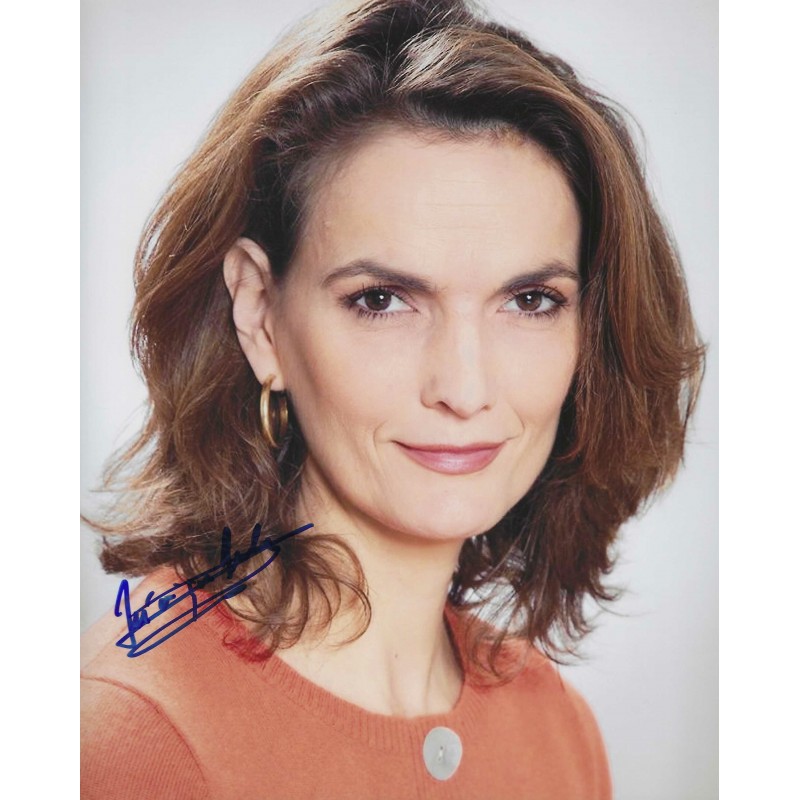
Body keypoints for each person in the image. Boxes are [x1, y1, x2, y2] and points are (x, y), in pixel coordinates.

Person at [80, 0, 705, 797]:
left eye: (531, 301)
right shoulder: (132, 741)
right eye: (382, 301)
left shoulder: (555, 725)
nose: (465, 388)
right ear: (260, 314)